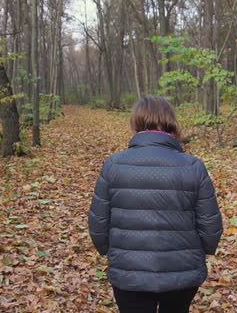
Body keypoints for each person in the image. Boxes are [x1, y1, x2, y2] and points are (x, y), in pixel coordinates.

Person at [88, 96, 223, 313]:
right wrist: (202, 251)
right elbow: (211, 226)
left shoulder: (114, 165)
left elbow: (98, 223)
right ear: (172, 122)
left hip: (129, 272)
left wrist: (111, 252)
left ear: (136, 122)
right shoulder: (193, 166)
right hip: (182, 271)